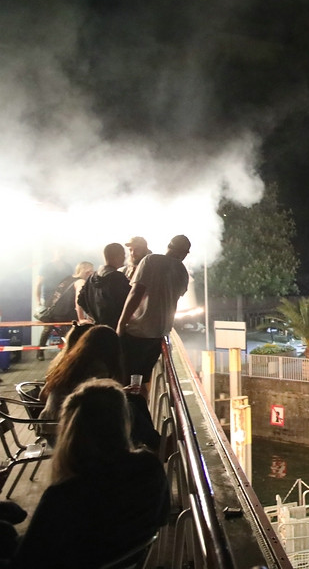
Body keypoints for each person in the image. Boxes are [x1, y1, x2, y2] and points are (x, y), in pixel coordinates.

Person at [9, 379, 168, 569]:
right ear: (124, 422)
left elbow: (25, 561)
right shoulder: (149, 467)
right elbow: (162, 517)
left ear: (71, 430)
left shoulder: (63, 495)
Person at [116, 234, 190, 383]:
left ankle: (126, 404)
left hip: (137, 331)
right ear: (184, 253)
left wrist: (121, 324)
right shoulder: (182, 271)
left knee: (125, 378)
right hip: (159, 333)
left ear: (168, 247)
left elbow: (136, 293)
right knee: (142, 379)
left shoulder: (151, 260)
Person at [76, 243, 131, 330]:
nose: (124, 258)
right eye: (123, 255)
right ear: (117, 256)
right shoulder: (117, 277)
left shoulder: (91, 277)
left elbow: (80, 300)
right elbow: (130, 300)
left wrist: (94, 316)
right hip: (116, 328)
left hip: (98, 327)